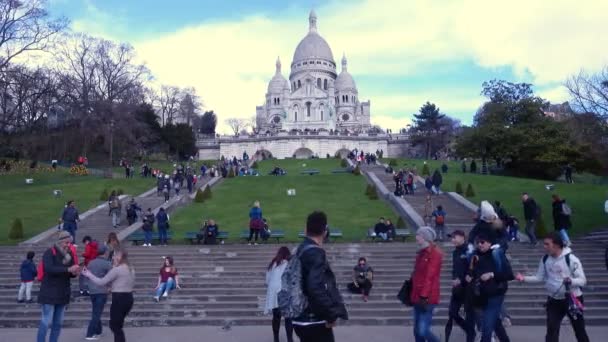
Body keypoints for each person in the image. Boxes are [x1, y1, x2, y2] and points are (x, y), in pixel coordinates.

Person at [516, 232, 589, 342]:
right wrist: (524, 278)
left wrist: (571, 281)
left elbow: (582, 280)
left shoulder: (572, 259)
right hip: (553, 300)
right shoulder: (545, 259)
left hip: (572, 299)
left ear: (557, 245)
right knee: (551, 330)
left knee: (579, 329)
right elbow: (539, 277)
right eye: (544, 244)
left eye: (547, 244)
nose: (544, 247)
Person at [293, 211, 348, 342]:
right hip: (314, 321)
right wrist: (331, 315)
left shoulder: (300, 249)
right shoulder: (316, 253)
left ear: (306, 230)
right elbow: (315, 287)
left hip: (300, 318)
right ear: (325, 231)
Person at [467, 234, 514, 342]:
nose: (480, 244)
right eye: (478, 242)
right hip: (481, 295)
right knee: (496, 322)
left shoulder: (497, 254)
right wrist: (470, 275)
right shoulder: (475, 256)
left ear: (489, 243)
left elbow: (509, 275)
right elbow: (473, 272)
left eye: (482, 242)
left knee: (487, 328)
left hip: (496, 294)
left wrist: (491, 274)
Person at [82, 249, 135, 342]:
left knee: (115, 326)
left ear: (119, 257)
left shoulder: (117, 270)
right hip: (129, 298)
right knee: (118, 325)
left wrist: (89, 274)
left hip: (119, 299)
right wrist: (113, 288)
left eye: (114, 255)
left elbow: (101, 282)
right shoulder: (130, 268)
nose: (113, 257)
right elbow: (126, 283)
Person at [37, 231, 79, 342]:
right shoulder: (49, 252)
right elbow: (49, 269)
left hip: (63, 292)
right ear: (60, 242)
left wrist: (73, 273)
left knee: (58, 324)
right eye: (66, 242)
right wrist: (68, 269)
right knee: (46, 322)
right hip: (49, 292)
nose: (68, 245)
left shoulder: (69, 254)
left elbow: (69, 273)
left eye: (69, 243)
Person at [410, 226, 443, 342]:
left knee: (422, 330)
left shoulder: (435, 253)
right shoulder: (421, 252)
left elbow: (430, 276)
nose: (416, 237)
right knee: (416, 330)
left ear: (425, 237)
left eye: (418, 235)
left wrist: (424, 296)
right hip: (416, 295)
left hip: (427, 297)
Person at [444, 230, 474, 342]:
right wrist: (454, 279)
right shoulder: (455, 252)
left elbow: (472, 267)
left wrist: (463, 279)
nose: (452, 240)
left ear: (462, 237)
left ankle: (470, 335)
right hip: (457, 288)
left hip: (468, 289)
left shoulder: (469, 250)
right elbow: (455, 269)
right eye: (451, 238)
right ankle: (469, 330)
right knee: (452, 312)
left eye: (454, 237)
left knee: (470, 315)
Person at [265, 247, 294, 342]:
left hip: (274, 293)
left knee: (276, 317)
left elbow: (267, 280)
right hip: (284, 291)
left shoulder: (273, 264)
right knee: (288, 318)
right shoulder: (289, 264)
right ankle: (290, 339)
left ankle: (276, 339)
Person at [85, 245, 111, 340]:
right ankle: (89, 333)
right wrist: (110, 287)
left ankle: (98, 331)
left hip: (92, 290)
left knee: (96, 311)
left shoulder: (91, 263)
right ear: (105, 253)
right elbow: (111, 277)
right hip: (101, 290)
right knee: (97, 313)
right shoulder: (107, 264)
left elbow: (87, 275)